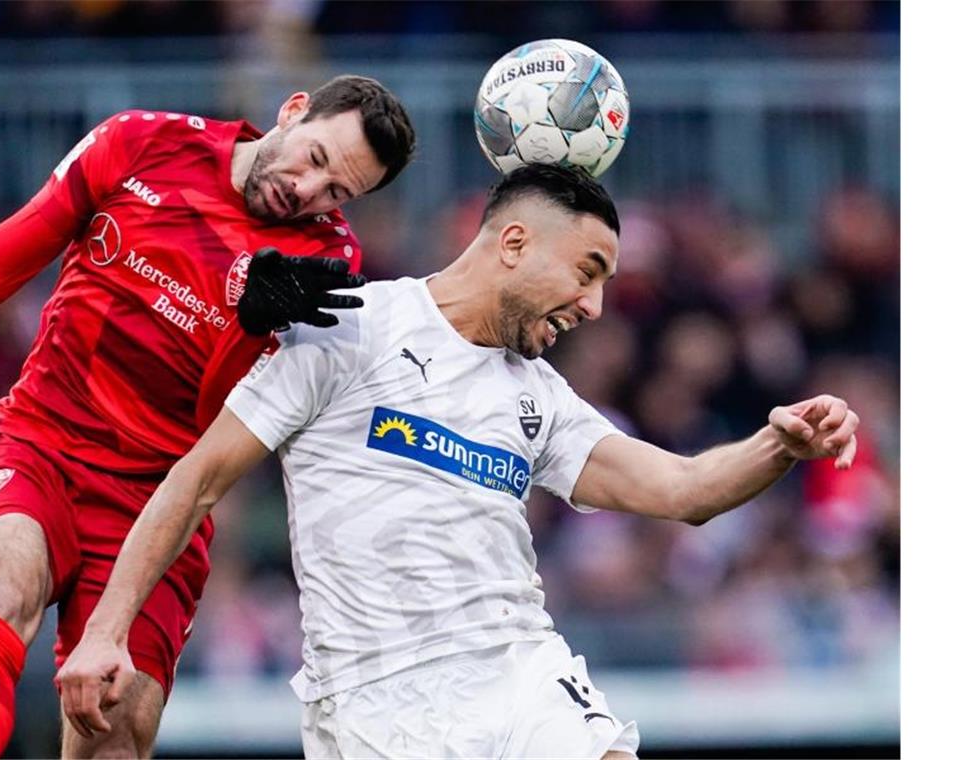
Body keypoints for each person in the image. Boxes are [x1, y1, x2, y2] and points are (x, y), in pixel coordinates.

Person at [55, 163, 860, 759]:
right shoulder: (351, 328)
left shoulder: (540, 397)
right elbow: (193, 484)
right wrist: (105, 633)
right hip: (374, 701)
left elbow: (683, 489)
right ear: (513, 243)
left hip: (516, 667)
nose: (595, 306)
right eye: (588, 272)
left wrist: (777, 445)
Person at [0, 75, 416, 759]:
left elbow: (239, 436)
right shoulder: (142, 142)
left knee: (119, 725)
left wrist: (249, 329)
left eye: (338, 192)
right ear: (291, 111)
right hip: (40, 440)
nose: (309, 193)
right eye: (314, 158)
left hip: (156, 503)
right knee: (1, 583)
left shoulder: (323, 267)